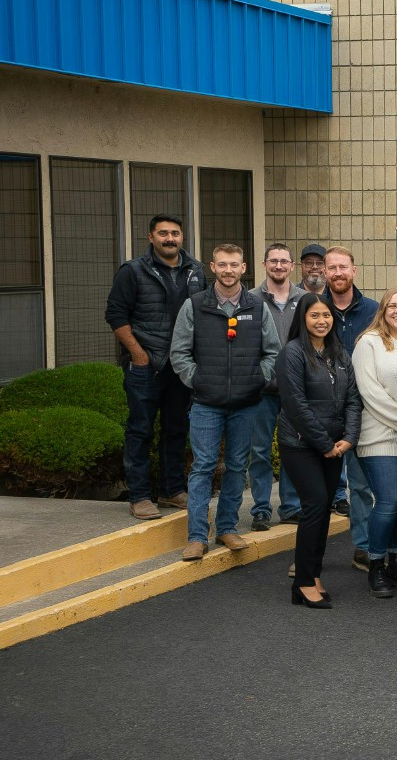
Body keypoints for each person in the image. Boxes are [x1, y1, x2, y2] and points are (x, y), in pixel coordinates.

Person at [168, 243, 281, 560]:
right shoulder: (195, 306)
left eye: (234, 265)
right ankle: (196, 536)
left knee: (236, 467)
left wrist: (257, 378)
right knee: (202, 467)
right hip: (206, 403)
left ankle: (228, 529)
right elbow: (179, 353)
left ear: (244, 268)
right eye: (222, 264)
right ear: (212, 267)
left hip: (246, 404)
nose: (228, 270)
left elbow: (272, 351)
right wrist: (198, 380)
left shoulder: (257, 308)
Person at [106, 213, 205, 520]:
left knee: (177, 429)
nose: (169, 238)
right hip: (145, 366)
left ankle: (171, 490)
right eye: (163, 233)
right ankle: (138, 496)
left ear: (182, 237)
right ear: (151, 237)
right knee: (140, 430)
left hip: (181, 366)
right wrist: (138, 355)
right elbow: (116, 316)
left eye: (175, 233)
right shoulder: (133, 271)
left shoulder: (196, 271)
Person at [276, 295, 361, 608]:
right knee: (316, 504)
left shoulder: (339, 353)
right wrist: (323, 443)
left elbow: (353, 398)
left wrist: (349, 437)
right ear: (303, 318)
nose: (322, 320)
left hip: (335, 446)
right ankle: (302, 582)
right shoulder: (293, 353)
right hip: (301, 445)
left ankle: (313, 575)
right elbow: (295, 405)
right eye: (314, 315)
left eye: (326, 315)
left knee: (323, 509)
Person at [352, 288, 397, 597]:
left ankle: (396, 562)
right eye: (392, 305)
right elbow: (370, 392)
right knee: (390, 500)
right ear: (382, 310)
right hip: (379, 435)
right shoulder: (369, 343)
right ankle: (376, 564)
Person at [321, 247, 379, 565]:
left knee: (359, 483)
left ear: (354, 270)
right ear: (324, 272)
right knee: (318, 487)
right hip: (324, 411)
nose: (338, 273)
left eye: (343, 267)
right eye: (332, 268)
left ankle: (365, 545)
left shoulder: (373, 311)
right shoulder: (314, 309)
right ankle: (308, 555)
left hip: (364, 410)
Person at [247, 244, 305, 530]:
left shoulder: (305, 299)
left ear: (292, 266)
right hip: (262, 390)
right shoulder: (251, 300)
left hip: (295, 390)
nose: (279, 266)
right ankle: (260, 508)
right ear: (264, 264)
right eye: (274, 261)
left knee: (292, 449)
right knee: (259, 450)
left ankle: (291, 506)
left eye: (284, 261)